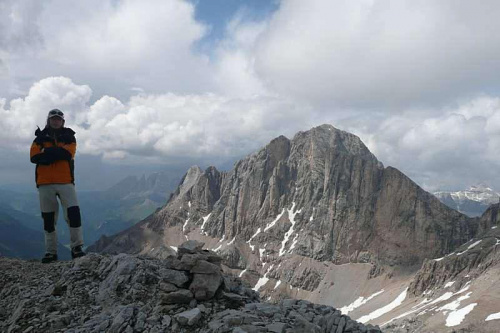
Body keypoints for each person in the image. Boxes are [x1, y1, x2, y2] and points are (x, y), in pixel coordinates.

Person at [30, 109, 85, 263]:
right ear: (49, 120)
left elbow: (68, 154)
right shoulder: (39, 138)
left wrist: (46, 152)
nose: (56, 121)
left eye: (58, 119)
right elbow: (34, 157)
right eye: (53, 119)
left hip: (65, 181)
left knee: (74, 214)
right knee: (48, 219)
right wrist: (57, 152)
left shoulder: (69, 137)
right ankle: (50, 252)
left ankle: (77, 248)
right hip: (45, 183)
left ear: (62, 122)